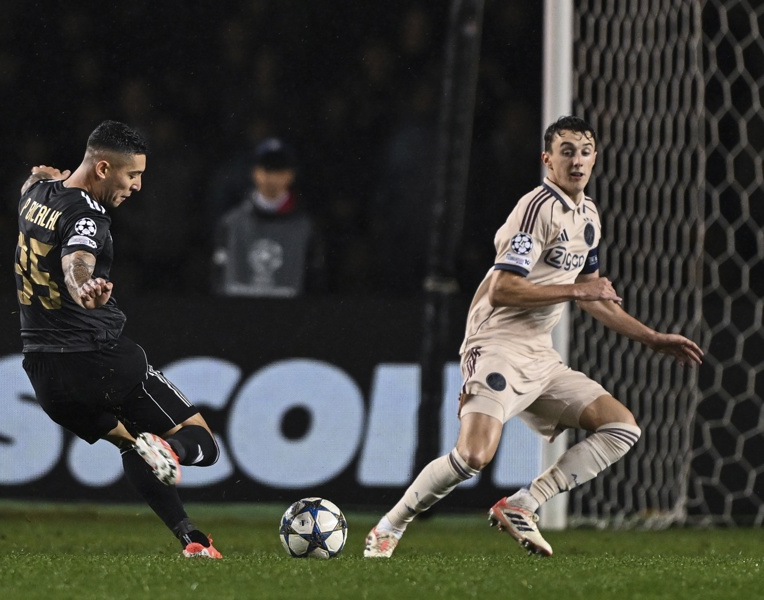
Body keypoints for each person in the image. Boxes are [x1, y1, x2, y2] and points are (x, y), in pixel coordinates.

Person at [363, 116, 704, 558]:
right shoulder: (536, 208)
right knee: (473, 457)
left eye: (585, 152)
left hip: (540, 355)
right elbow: (503, 289)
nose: (577, 161)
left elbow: (595, 295)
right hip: (496, 345)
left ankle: (524, 503)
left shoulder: (589, 215)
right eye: (567, 151)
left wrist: (652, 337)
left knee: (621, 427)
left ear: (595, 159)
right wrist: (576, 290)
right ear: (548, 159)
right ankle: (390, 526)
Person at [15, 120, 222, 559]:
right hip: (98, 358)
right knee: (202, 442)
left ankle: (193, 539)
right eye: (133, 175)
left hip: (44, 373)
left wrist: (39, 176)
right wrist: (82, 286)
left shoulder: (35, 194)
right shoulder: (88, 214)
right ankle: (171, 449)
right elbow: (77, 259)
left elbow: (32, 184)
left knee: (134, 444)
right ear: (104, 168)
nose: (138, 186)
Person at [210, 137, 327, 297]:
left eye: (279, 170)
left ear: (290, 175)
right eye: (267, 169)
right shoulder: (231, 224)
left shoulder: (306, 227)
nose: (272, 178)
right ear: (255, 173)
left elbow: (315, 283)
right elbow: (218, 281)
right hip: (240, 312)